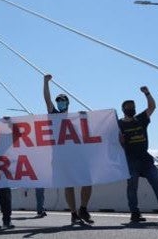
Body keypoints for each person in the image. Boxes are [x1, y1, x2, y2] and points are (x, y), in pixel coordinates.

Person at [118, 86, 158, 222]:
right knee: (132, 187)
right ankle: (135, 213)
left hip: (145, 159)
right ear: (123, 110)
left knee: (157, 184)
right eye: (129, 107)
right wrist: (120, 141)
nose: (132, 108)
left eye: (133, 106)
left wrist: (147, 93)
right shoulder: (118, 125)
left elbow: (152, 107)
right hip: (130, 160)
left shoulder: (140, 119)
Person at [43, 74, 93, 225]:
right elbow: (47, 100)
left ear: (68, 103)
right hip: (61, 156)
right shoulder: (54, 115)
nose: (60, 103)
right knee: (68, 185)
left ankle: (83, 208)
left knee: (87, 181)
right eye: (58, 101)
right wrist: (45, 83)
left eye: (62, 101)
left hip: (76, 156)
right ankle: (73, 213)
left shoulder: (76, 118)